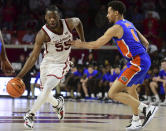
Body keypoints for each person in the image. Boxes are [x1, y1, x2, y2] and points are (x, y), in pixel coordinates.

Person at [70, 1, 158, 130]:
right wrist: (139, 55)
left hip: (137, 61)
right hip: (143, 59)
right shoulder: (129, 23)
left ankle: (147, 109)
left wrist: (79, 45)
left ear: (116, 13)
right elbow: (145, 42)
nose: (107, 15)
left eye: (109, 12)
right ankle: (136, 120)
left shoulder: (115, 28)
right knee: (131, 89)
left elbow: (96, 45)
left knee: (112, 93)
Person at [16, 5, 85, 129]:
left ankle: (30, 114)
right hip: (47, 64)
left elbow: (79, 22)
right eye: (49, 17)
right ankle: (58, 104)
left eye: (54, 17)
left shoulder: (69, 23)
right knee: (45, 94)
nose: (52, 19)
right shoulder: (43, 34)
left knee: (47, 88)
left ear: (59, 16)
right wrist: (19, 76)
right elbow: (32, 57)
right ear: (45, 18)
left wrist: (83, 40)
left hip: (61, 64)